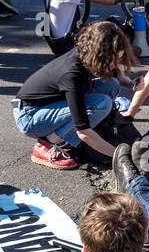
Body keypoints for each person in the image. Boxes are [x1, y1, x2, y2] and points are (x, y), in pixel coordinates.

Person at [13, 20, 133, 170]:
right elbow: (83, 131)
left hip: (46, 105)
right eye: (112, 60)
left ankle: (64, 134)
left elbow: (115, 75)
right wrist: (121, 156)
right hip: (30, 116)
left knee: (111, 85)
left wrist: (131, 83)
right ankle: (52, 141)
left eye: (118, 59)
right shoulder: (72, 74)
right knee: (102, 104)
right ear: (99, 54)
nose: (115, 64)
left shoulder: (85, 53)